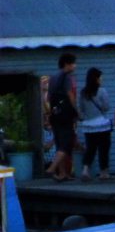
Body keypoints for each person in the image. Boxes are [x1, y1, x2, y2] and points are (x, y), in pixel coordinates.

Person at [45, 53, 78, 181]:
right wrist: (76, 111)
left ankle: (62, 173)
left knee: (59, 143)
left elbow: (48, 97)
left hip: (55, 114)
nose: (75, 65)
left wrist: (50, 113)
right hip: (65, 115)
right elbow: (70, 96)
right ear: (67, 64)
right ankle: (52, 168)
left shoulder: (53, 78)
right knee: (66, 142)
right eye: (73, 63)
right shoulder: (67, 78)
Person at [77, 67, 112, 181]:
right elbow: (106, 107)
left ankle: (85, 170)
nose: (102, 79)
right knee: (103, 149)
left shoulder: (83, 93)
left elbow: (81, 109)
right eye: (100, 77)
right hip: (102, 125)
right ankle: (104, 172)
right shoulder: (102, 91)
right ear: (96, 78)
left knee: (90, 148)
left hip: (88, 126)